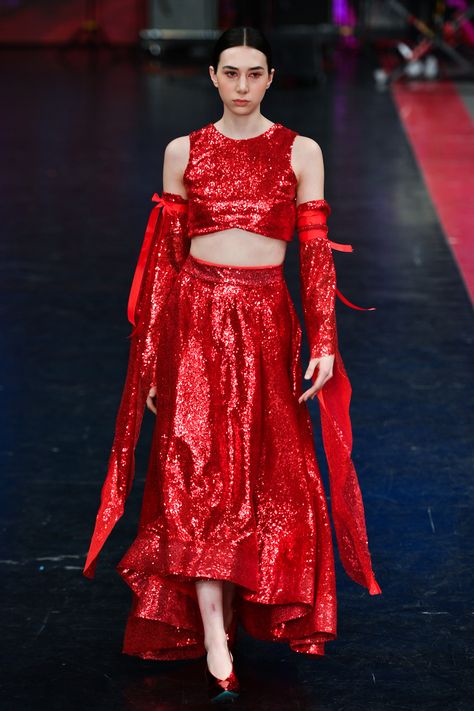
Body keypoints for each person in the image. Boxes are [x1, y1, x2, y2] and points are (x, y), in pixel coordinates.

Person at [82, 26, 382, 703]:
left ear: (270, 77)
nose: (242, 85)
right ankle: (215, 637)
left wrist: (326, 342)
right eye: (230, 72)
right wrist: (154, 358)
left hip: (265, 323)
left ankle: (246, 606)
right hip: (195, 321)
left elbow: (315, 257)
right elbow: (163, 264)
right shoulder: (182, 152)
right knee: (196, 473)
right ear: (213, 77)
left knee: (262, 473)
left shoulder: (301, 151)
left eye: (253, 73)